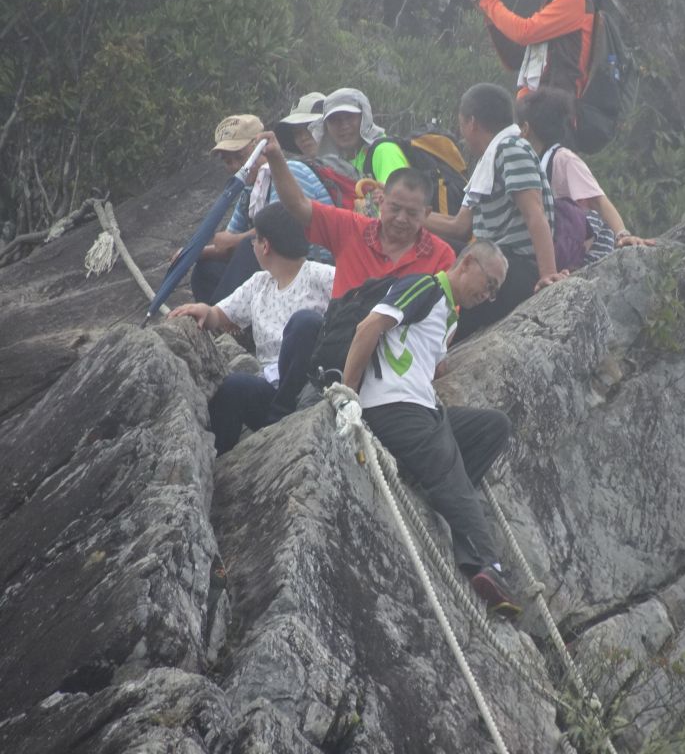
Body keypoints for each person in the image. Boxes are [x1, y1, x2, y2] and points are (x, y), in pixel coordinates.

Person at [342, 239, 521, 614]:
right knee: (446, 463)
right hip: (392, 406)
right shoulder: (424, 286)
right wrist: (348, 393)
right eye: (489, 284)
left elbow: (431, 365)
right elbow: (368, 327)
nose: (489, 296)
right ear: (468, 262)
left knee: (493, 427)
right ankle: (486, 565)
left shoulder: (448, 318)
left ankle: (438, 487)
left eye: (495, 292)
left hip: (421, 409)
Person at [169, 203, 335, 454]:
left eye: (255, 239)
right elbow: (219, 314)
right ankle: (217, 460)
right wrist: (204, 310)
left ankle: (282, 422)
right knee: (233, 388)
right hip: (272, 390)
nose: (253, 246)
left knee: (304, 324)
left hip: (309, 388)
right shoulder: (259, 284)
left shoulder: (321, 276)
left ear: (265, 245)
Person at [426, 83, 565, 341]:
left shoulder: (510, 148)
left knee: (443, 309)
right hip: (494, 259)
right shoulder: (487, 162)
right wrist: (410, 216)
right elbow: (460, 226)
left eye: (461, 124)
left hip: (514, 268)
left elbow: (534, 214)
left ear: (472, 122)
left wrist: (547, 275)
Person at [257, 130, 455, 298]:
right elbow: (298, 205)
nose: (401, 219)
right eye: (395, 208)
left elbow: (446, 318)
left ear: (427, 213)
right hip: (343, 335)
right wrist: (276, 158)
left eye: (412, 213)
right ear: (381, 201)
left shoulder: (441, 255)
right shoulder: (350, 228)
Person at [190, 111, 334, 306]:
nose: (234, 166)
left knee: (250, 246)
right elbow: (226, 243)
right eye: (228, 161)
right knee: (207, 268)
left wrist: (234, 240)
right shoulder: (250, 191)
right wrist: (193, 253)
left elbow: (280, 229)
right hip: (278, 262)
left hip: (313, 262)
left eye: (240, 157)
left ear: (259, 147)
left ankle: (222, 321)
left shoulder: (289, 171)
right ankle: (220, 322)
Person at [516, 88, 655, 255]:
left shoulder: (564, 159)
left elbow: (597, 200)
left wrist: (622, 235)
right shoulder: (534, 161)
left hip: (582, 252)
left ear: (526, 128)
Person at [313, 87, 409, 185]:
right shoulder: (343, 159)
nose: (344, 125)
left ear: (364, 118)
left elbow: (400, 198)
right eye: (334, 120)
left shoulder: (384, 151)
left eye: (349, 117)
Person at [273, 91, 325, 157]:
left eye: (310, 129)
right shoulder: (293, 166)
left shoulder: (341, 163)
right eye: (297, 133)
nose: (303, 138)